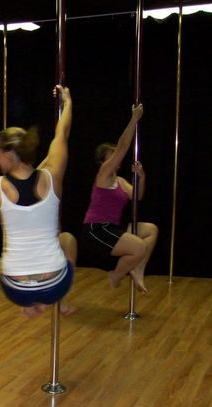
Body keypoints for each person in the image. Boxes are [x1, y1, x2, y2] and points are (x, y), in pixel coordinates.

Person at [0, 85, 76, 318]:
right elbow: (62, 134)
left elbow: (25, 180)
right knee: (68, 240)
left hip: (13, 288)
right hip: (54, 285)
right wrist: (68, 103)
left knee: (16, 264)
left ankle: (28, 304)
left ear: (8, 155)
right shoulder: (52, 177)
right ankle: (59, 300)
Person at [80, 104, 158, 294]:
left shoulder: (120, 181)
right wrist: (134, 119)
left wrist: (141, 177)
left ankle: (137, 269)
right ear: (102, 162)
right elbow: (123, 147)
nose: (116, 158)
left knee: (150, 230)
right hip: (95, 230)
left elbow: (138, 196)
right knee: (139, 248)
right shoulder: (103, 174)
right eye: (111, 156)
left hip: (113, 227)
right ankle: (116, 274)